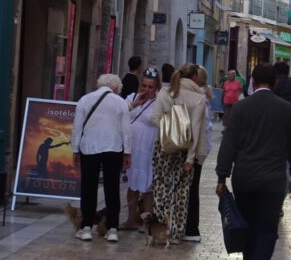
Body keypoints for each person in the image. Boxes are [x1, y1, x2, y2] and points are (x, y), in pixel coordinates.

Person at [215, 63, 291, 260]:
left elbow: (228, 144)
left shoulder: (242, 108)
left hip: (244, 178)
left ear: (252, 82)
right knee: (267, 229)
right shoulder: (286, 110)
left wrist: (222, 176)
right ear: (275, 83)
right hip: (273, 180)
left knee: (247, 227)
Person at [150, 63, 207, 243]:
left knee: (161, 188)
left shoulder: (165, 92)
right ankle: (176, 232)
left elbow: (154, 118)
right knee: (181, 191)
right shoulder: (198, 98)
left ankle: (160, 229)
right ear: (195, 78)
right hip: (185, 150)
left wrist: (169, 132)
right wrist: (191, 158)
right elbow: (196, 130)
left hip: (164, 148)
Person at [71, 74, 131, 243]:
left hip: (90, 147)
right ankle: (112, 229)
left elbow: (77, 127)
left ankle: (86, 227)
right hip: (113, 147)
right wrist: (127, 152)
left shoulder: (85, 99)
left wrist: (75, 149)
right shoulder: (120, 102)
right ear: (116, 88)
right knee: (112, 188)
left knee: (88, 187)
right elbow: (126, 130)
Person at [120, 67, 161, 231]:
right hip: (132, 148)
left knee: (147, 187)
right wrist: (136, 103)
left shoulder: (159, 102)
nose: (146, 90)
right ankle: (130, 219)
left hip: (148, 148)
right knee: (131, 184)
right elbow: (121, 113)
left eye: (150, 87)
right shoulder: (132, 97)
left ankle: (147, 222)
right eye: (144, 86)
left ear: (156, 87)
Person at [184, 66, 214, 242]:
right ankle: (190, 228)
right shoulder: (203, 96)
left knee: (188, 188)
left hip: (192, 150)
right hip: (200, 151)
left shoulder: (198, 98)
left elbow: (201, 127)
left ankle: (189, 227)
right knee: (192, 188)